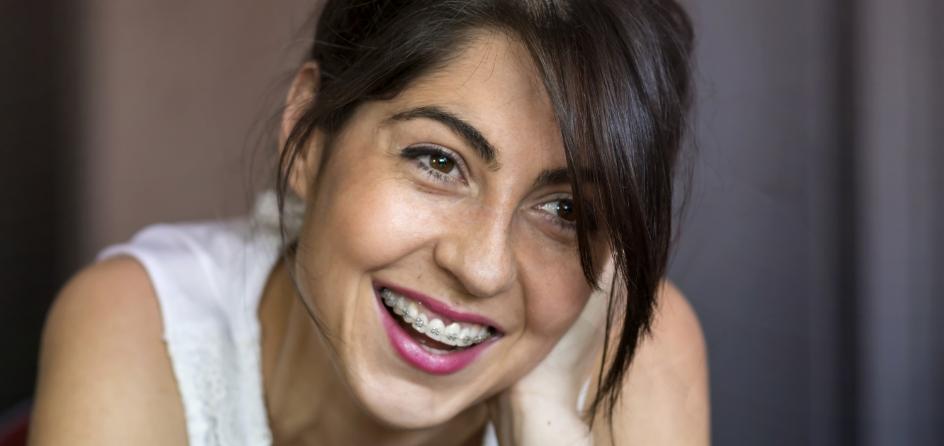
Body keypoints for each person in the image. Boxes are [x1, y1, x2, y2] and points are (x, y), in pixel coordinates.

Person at [30, 0, 708, 444]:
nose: (482, 267)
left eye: (566, 211)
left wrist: (550, 422)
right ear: (310, 131)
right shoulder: (145, 325)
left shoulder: (641, 354)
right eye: (439, 161)